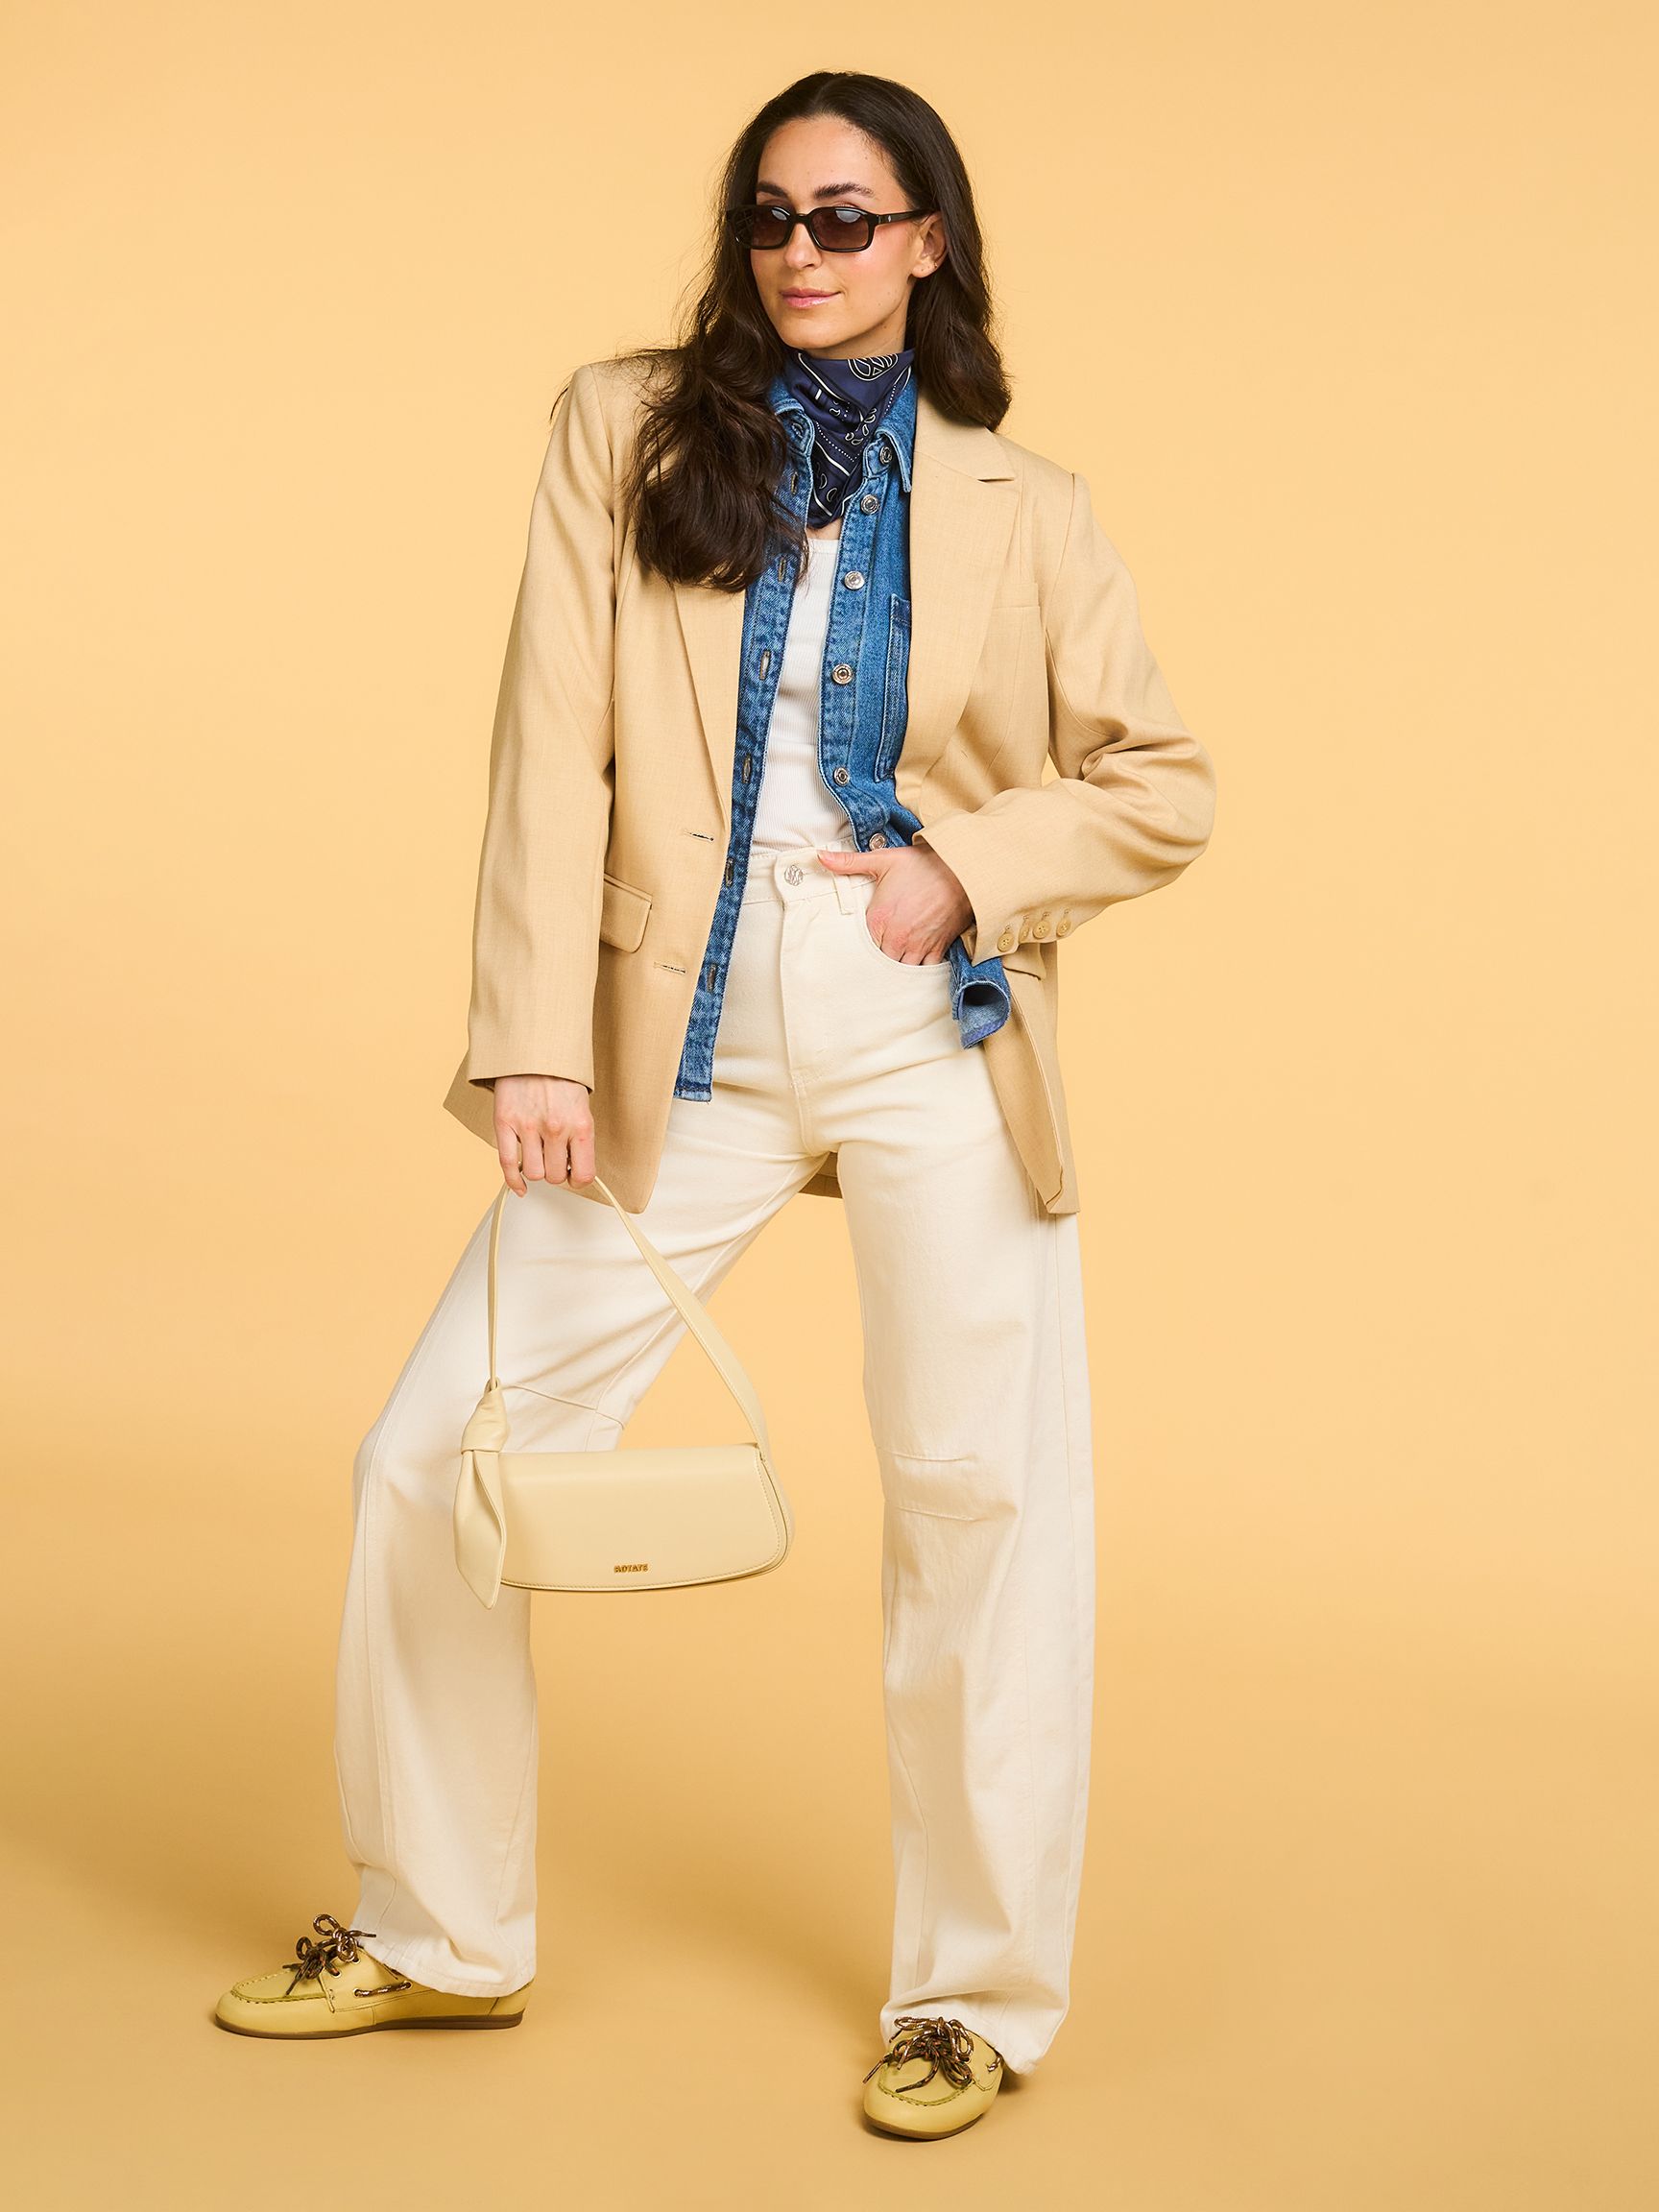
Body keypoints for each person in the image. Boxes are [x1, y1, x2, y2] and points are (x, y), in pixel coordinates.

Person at [213, 69, 1216, 2141]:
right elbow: (544, 744)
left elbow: (1157, 784)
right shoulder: (624, 424)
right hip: (678, 1036)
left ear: (929, 238)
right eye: (775, 215)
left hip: (929, 1021)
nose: (803, 253)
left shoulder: (1029, 510)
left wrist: (968, 870)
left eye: (850, 219)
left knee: (983, 1508)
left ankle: (978, 2000)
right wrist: (534, 1045)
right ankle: (439, 1931)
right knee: (435, 1460)